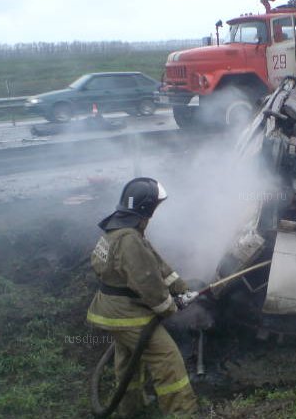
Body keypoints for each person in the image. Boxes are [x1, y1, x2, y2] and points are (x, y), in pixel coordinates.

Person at [86, 178, 198, 417]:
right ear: (147, 208)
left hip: (111, 308)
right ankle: (182, 413)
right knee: (167, 360)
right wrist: (170, 307)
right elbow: (147, 281)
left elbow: (155, 263)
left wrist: (181, 287)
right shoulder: (129, 240)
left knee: (128, 360)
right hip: (126, 314)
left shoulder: (121, 231)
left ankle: (131, 409)